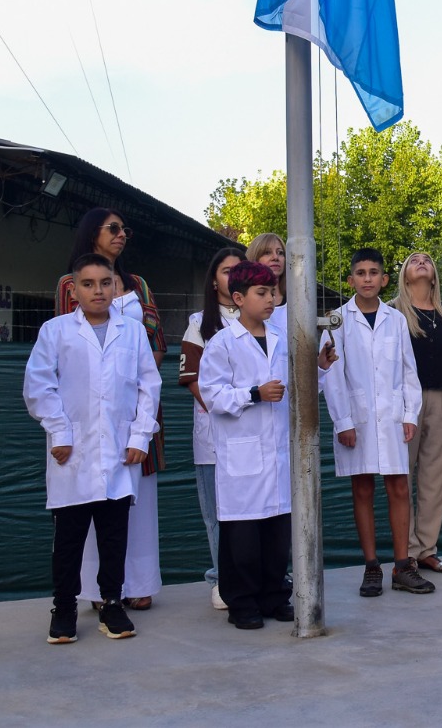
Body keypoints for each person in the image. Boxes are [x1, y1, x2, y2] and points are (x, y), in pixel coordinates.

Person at [23, 253, 160, 644]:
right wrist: (60, 432)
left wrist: (139, 438)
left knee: (114, 536)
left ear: (116, 286)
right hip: (73, 452)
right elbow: (38, 386)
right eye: (88, 284)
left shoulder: (132, 332)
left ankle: (112, 604)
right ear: (74, 290)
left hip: (119, 450)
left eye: (105, 282)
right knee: (69, 538)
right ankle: (64, 607)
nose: (98, 291)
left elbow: (149, 386)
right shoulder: (56, 331)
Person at [55, 207, 166, 611]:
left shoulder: (138, 285)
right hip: (88, 412)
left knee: (137, 498)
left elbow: (156, 341)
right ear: (92, 233)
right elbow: (66, 347)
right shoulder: (69, 284)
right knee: (88, 497)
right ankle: (95, 591)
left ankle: (137, 584)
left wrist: (135, 392)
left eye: (124, 230)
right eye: (114, 228)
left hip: (135, 407)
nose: (122, 235)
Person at [198, 262, 307, 629]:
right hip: (242, 455)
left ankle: (274, 596)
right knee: (243, 538)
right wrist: (253, 394)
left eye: (273, 292)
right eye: (262, 293)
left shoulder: (282, 338)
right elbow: (212, 395)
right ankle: (241, 602)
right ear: (239, 298)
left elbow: (300, 387)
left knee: (277, 535)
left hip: (277, 452)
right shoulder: (222, 343)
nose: (271, 299)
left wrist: (320, 368)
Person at [321, 248, 434, 597]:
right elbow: (332, 375)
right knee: (362, 488)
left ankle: (402, 566)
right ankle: (372, 566)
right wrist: (343, 421)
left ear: (384, 279)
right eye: (361, 273)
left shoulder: (396, 319)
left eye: (374, 273)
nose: (367, 278)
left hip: (392, 418)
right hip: (357, 418)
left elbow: (409, 371)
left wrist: (410, 414)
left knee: (399, 487)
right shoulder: (336, 321)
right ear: (350, 280)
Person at [178, 246, 245, 611]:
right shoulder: (200, 322)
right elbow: (193, 380)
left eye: (239, 270)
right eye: (226, 271)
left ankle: (258, 575)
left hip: (254, 435)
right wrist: (227, 410)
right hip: (214, 437)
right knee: (217, 513)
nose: (233, 277)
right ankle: (221, 579)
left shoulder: (260, 317)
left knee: (254, 509)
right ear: (214, 280)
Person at [388, 251, 442, 574]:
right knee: (402, 475)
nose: (421, 262)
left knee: (434, 477)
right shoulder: (392, 312)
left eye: (427, 260)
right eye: (414, 260)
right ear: (404, 274)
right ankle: (405, 553)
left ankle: (427, 549)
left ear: (434, 275)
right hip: (405, 402)